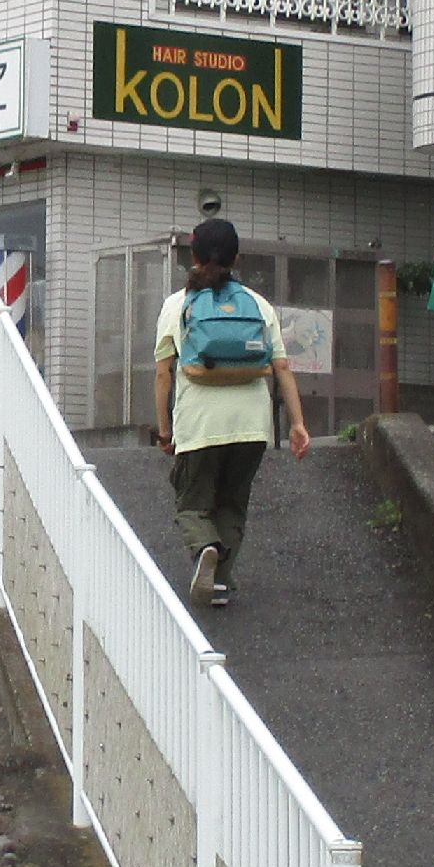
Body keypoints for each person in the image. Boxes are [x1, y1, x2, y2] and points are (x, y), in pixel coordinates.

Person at [148, 216, 309, 610]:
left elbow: (164, 373)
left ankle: (205, 547)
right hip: (252, 425)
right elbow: (282, 367)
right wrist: (298, 424)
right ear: (236, 258)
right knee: (232, 504)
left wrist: (165, 431)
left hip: (200, 423)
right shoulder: (258, 304)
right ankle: (218, 580)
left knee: (192, 503)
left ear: (194, 256)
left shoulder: (177, 304)